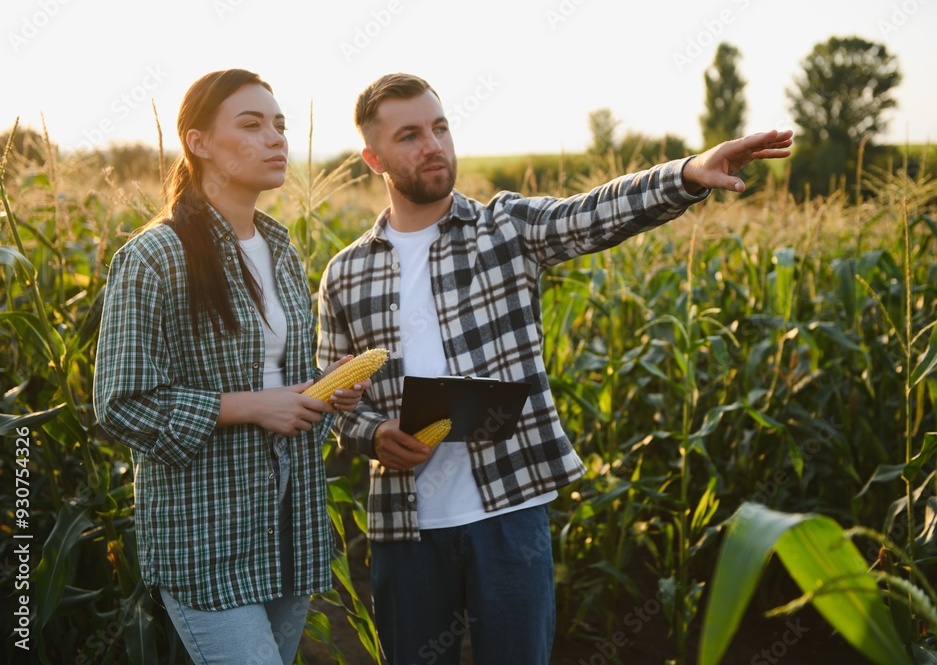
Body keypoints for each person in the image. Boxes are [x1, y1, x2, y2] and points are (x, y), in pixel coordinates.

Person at [317, 72, 792, 664]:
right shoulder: (345, 273)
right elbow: (337, 401)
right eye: (410, 135)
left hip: (510, 512)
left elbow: (593, 213)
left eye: (440, 127)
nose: (433, 145)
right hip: (406, 529)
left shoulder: (506, 228)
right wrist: (374, 433)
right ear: (373, 157)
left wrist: (689, 174)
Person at [94, 69, 369, 665]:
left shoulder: (281, 249)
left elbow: (287, 393)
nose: (276, 139)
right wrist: (247, 406)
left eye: (280, 125)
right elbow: (119, 404)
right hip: (208, 536)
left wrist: (323, 396)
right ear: (197, 142)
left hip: (290, 529)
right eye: (251, 125)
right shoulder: (154, 257)